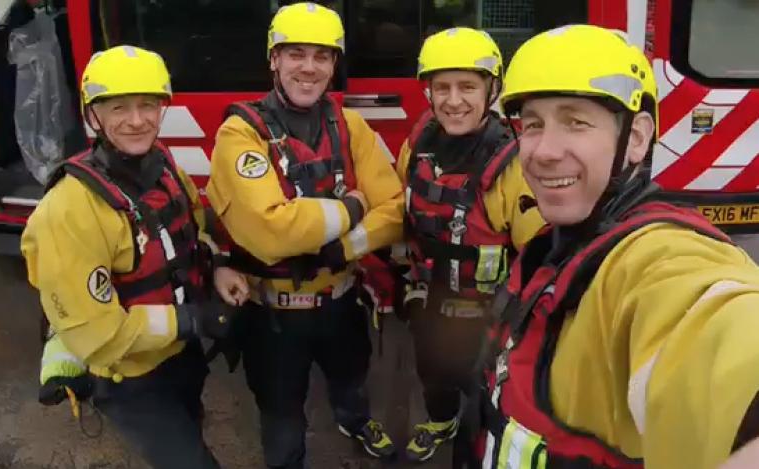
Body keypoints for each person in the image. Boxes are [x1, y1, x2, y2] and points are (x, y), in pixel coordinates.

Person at [459, 24, 759, 469]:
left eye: (576, 121)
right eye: (533, 124)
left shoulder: (656, 258)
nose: (542, 150)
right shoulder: (553, 246)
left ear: (636, 138)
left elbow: (714, 325)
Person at [21, 45, 249, 469]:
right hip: (129, 376)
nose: (137, 120)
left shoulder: (163, 167)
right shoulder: (68, 208)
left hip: (181, 356)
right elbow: (98, 332)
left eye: (148, 105)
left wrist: (217, 266)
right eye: (119, 108)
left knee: (191, 427)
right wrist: (195, 319)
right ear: (93, 116)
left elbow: (193, 231)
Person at [205, 3, 404, 468]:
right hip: (273, 315)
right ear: (273, 59)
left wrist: (344, 246)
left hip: (341, 301)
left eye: (322, 55)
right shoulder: (240, 134)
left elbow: (395, 209)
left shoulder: (349, 124)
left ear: (335, 65)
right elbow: (273, 233)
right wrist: (353, 206)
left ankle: (354, 421)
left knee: (352, 379)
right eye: (295, 53)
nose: (309, 67)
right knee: (282, 419)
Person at [394, 27, 544, 463]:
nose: (453, 100)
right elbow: (403, 211)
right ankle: (440, 422)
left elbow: (536, 252)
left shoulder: (511, 163)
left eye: (467, 87)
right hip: (431, 299)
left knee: (486, 399)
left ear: (491, 89)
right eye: (442, 87)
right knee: (434, 376)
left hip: (489, 312)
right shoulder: (419, 144)